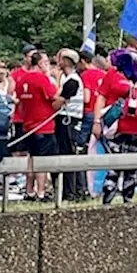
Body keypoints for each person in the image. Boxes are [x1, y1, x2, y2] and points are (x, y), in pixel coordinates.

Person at [94, 49, 137, 205]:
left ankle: (128, 201)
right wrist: (97, 121)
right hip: (117, 128)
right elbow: (101, 97)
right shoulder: (113, 75)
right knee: (115, 166)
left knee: (132, 167)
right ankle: (107, 200)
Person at [12, 48, 61, 201]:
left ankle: (29, 190)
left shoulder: (22, 80)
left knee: (30, 160)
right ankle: (40, 192)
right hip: (44, 126)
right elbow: (55, 98)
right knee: (42, 161)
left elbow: (20, 101)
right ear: (40, 64)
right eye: (46, 62)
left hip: (28, 125)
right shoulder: (42, 79)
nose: (48, 65)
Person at [54, 49, 86, 201]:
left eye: (60, 59)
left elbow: (58, 103)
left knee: (67, 155)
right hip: (69, 119)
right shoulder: (69, 79)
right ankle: (74, 191)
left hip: (68, 120)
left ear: (66, 61)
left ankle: (70, 192)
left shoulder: (72, 81)